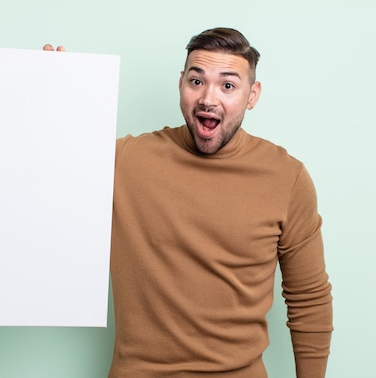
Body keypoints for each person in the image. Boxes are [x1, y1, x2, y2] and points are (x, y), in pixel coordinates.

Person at [44, 27, 332, 378]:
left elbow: (309, 300)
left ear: (252, 94)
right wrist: (49, 92)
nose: (209, 99)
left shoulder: (287, 179)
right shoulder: (124, 161)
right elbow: (46, 175)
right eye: (197, 81)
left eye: (228, 85)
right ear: (181, 83)